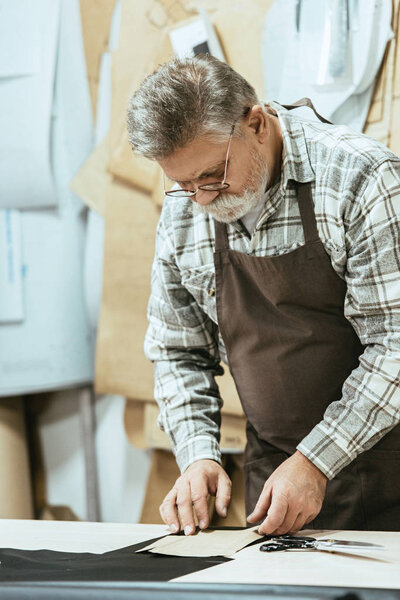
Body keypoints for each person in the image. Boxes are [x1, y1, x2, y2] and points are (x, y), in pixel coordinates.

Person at [126, 54, 400, 535]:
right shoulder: (188, 209)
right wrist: (196, 454)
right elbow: (178, 351)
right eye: (183, 185)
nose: (202, 199)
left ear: (254, 122)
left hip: (387, 477)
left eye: (212, 175)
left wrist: (316, 461)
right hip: (274, 480)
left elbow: (395, 346)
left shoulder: (362, 178)